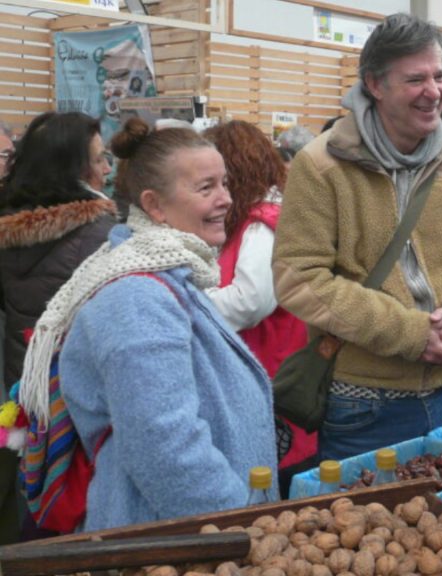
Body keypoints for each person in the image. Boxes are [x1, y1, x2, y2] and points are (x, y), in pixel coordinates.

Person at [17, 117, 277, 531]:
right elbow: (164, 448)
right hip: (171, 539)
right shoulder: (136, 297)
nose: (226, 199)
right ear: (154, 205)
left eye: (224, 183)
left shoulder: (171, 272)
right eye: (206, 187)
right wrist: (237, 523)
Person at [273, 13, 442, 461]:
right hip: (362, 402)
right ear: (374, 85)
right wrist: (411, 333)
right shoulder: (322, 165)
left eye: (440, 76)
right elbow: (299, 278)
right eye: (415, 79)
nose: (433, 91)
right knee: (365, 524)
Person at [0, 112, 116, 542]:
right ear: (74, 167)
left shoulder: (6, 223)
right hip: (78, 388)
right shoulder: (101, 233)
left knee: (31, 476)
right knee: (75, 497)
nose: (107, 169)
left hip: (24, 382)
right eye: (101, 159)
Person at [203, 120, 314, 496]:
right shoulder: (259, 218)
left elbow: (250, 302)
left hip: (273, 370)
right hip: (266, 369)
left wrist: (186, 301)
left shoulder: (262, 224)